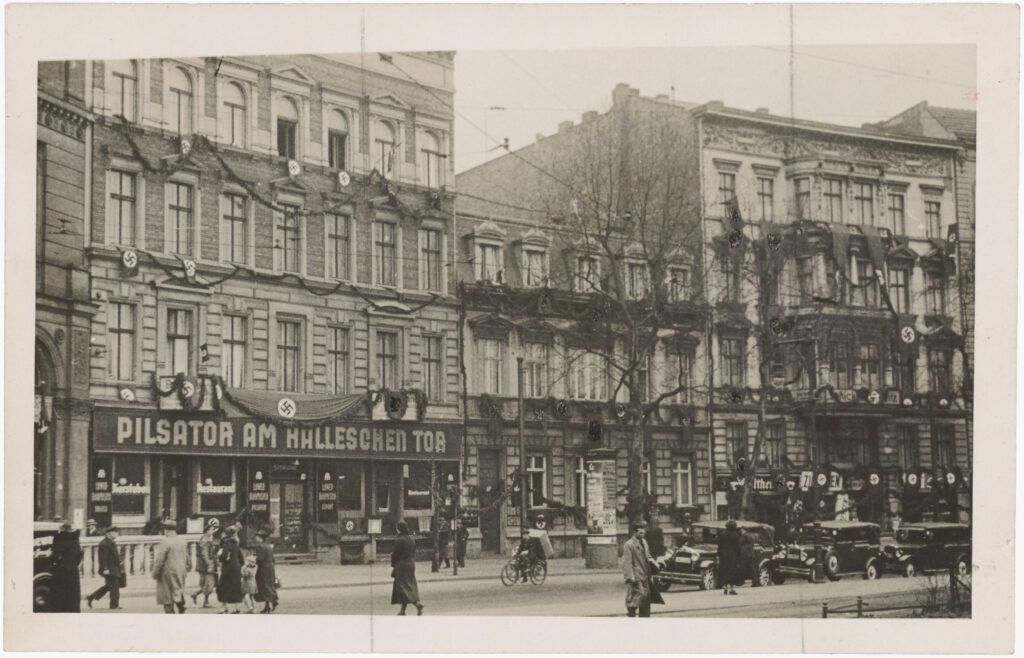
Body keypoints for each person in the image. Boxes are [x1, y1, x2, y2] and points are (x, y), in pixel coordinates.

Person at [619, 520, 665, 617]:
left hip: (646, 574)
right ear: (634, 532)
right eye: (640, 532)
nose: (642, 534)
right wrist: (630, 577)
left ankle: (645, 616)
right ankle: (631, 610)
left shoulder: (644, 542)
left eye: (643, 532)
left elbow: (647, 555)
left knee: (646, 597)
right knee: (640, 593)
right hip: (636, 575)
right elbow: (627, 562)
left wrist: (655, 563)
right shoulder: (629, 544)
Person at [153, 519, 188, 613]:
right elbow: (187, 557)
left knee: (166, 595)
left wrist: (155, 572)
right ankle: (181, 605)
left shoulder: (165, 541)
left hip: (167, 572)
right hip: (181, 570)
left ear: (166, 530)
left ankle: (170, 614)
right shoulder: (183, 540)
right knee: (177, 590)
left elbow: (160, 560)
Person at [390, 520, 423, 615]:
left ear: (399, 529)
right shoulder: (411, 538)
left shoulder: (399, 540)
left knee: (402, 587)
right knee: (409, 585)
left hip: (402, 565)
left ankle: (417, 604)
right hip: (411, 563)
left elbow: (395, 555)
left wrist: (393, 564)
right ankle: (402, 610)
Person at [86, 525, 123, 609]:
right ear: (109, 533)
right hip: (109, 569)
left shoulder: (110, 542)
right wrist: (105, 569)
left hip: (113, 568)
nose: (117, 534)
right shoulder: (104, 543)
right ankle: (114, 605)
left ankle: (91, 597)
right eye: (115, 532)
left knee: (109, 586)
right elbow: (102, 558)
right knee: (114, 587)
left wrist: (119, 562)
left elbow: (113, 555)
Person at [51, 521, 83, 612]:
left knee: (60, 595)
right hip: (73, 570)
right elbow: (79, 556)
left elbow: (55, 555)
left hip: (61, 569)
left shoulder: (59, 539)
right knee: (73, 595)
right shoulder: (75, 540)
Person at [191, 518, 219, 608]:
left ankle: (196, 596)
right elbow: (205, 554)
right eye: (211, 530)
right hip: (206, 566)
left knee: (207, 584)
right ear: (207, 531)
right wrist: (209, 564)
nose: (212, 531)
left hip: (204, 565)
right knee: (209, 584)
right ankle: (204, 601)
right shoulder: (205, 541)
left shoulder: (207, 539)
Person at [216, 525, 243, 614]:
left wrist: (220, 557)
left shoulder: (226, 544)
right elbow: (241, 558)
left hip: (228, 568)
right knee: (235, 587)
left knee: (223, 587)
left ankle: (224, 608)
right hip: (236, 568)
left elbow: (223, 556)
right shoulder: (236, 544)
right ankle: (236, 608)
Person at [253, 527, 278, 613]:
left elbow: (260, 559)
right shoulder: (269, 546)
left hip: (263, 568)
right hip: (270, 567)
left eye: (257, 537)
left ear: (261, 538)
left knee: (264, 585)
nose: (256, 538)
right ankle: (267, 606)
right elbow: (273, 559)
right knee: (269, 584)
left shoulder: (260, 546)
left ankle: (273, 601)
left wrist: (253, 560)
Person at [717, 519, 743, 595]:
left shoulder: (722, 534)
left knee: (724, 571)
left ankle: (725, 588)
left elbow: (719, 545)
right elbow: (738, 547)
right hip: (732, 556)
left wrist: (719, 555)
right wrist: (739, 555)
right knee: (732, 572)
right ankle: (731, 588)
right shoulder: (736, 535)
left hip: (723, 555)